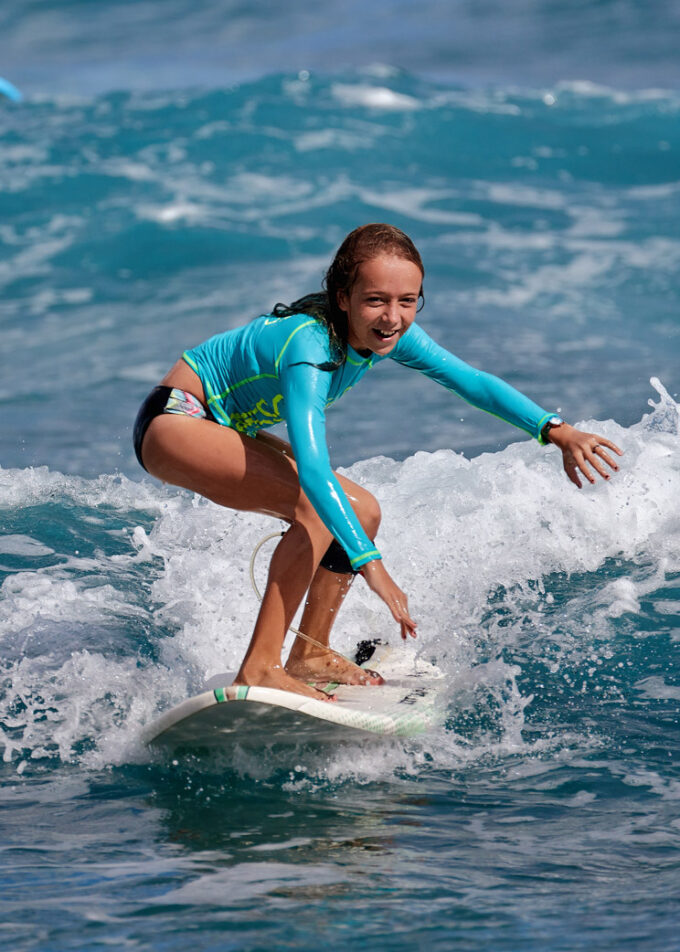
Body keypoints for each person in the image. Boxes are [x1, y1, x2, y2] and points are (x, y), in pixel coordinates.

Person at [133, 223, 622, 701]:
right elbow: (313, 467)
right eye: (376, 300)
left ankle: (311, 654)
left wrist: (556, 430)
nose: (392, 317)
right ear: (343, 297)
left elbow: (471, 381)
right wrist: (372, 567)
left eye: (407, 301)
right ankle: (260, 667)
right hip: (177, 421)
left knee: (361, 511)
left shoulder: (389, 334)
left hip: (219, 427)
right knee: (314, 504)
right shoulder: (310, 347)